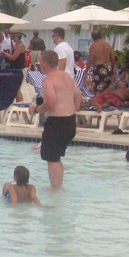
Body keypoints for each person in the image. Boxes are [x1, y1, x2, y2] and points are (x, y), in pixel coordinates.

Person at [39, 50, 81, 190]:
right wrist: (73, 110)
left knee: (52, 158)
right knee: (56, 157)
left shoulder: (48, 80)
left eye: (40, 61)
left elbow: (50, 102)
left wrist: (37, 109)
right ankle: (59, 188)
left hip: (57, 123)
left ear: (44, 63)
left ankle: (55, 191)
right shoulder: (67, 76)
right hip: (70, 121)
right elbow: (79, 95)